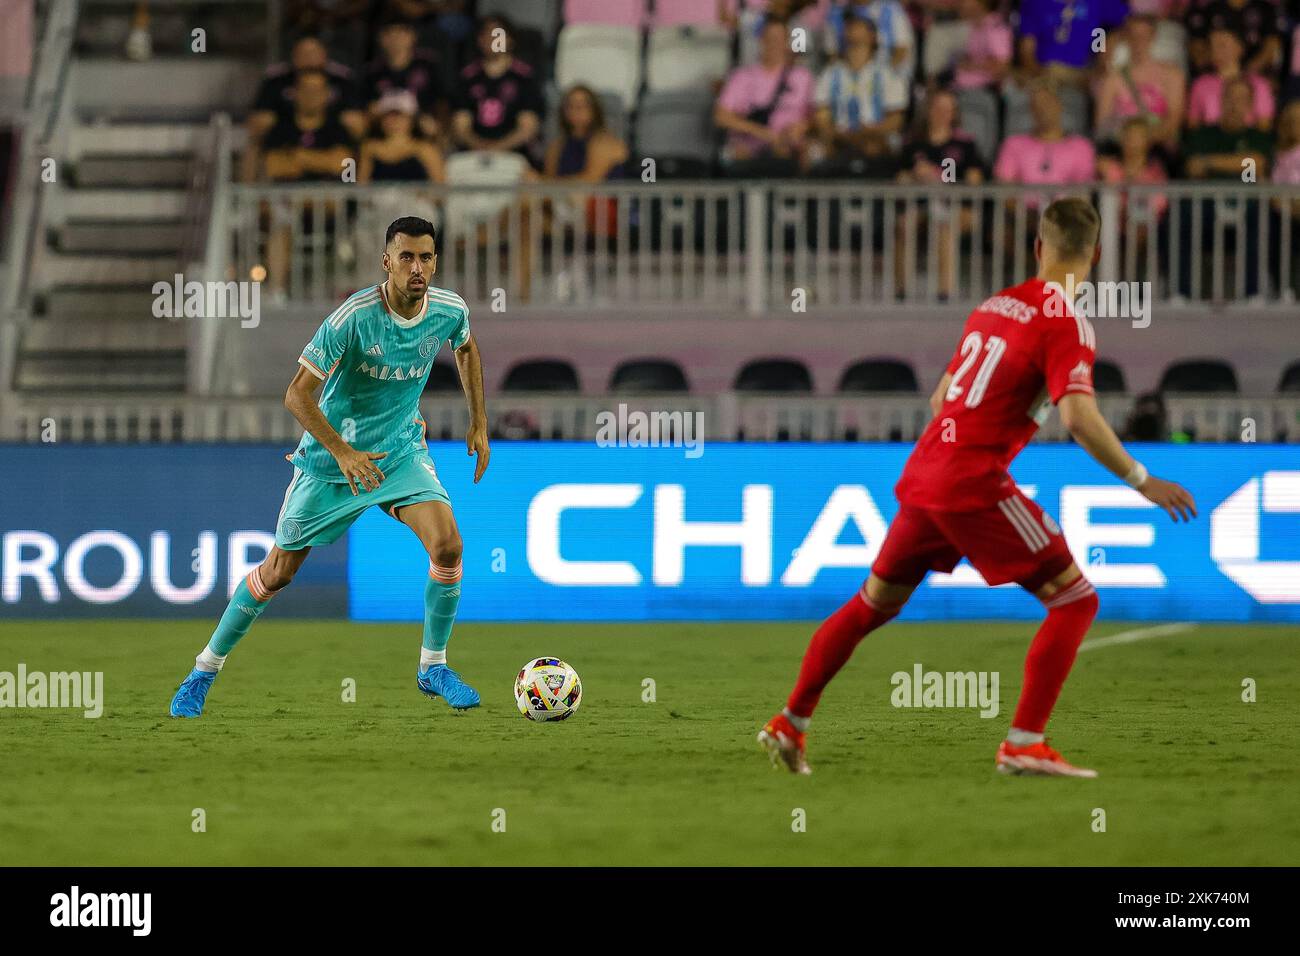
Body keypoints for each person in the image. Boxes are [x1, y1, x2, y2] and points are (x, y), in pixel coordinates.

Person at [759, 197, 1197, 777]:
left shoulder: (994, 306)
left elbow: (942, 397)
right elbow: (1079, 417)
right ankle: (1023, 742)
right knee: (1075, 599)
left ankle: (791, 721)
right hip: (972, 481)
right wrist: (1143, 480)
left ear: (1038, 248)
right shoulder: (1065, 320)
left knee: (872, 604)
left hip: (927, 471)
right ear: (1094, 255)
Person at [168, 217, 491, 718]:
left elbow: (466, 348)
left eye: (426, 257)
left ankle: (433, 666)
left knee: (448, 543)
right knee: (277, 573)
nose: (417, 267)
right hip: (330, 463)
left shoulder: (449, 310)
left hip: (400, 452)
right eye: (406, 257)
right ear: (386, 262)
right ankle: (202, 672)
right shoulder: (353, 317)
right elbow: (296, 395)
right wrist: (342, 452)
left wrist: (479, 422)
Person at [809, 14, 909, 176]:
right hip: (839, 140)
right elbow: (822, 115)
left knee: (880, 148)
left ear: (872, 36)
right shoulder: (831, 73)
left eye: (859, 26)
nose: (852, 30)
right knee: (814, 152)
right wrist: (834, 133)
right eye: (849, 27)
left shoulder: (887, 73)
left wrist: (870, 132)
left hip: (875, 140)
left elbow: (895, 120)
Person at [714, 16, 815, 174]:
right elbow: (721, 116)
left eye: (779, 39)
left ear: (787, 42)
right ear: (761, 40)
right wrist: (761, 132)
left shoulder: (802, 76)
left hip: (789, 144)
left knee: (801, 152)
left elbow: (814, 115)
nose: (774, 44)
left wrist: (800, 128)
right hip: (749, 145)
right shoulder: (742, 76)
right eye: (769, 38)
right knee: (736, 154)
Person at [451, 14, 543, 158]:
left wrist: (497, 149)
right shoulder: (468, 77)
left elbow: (527, 128)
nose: (491, 39)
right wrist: (482, 148)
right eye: (486, 34)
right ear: (479, 40)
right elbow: (461, 127)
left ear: (510, 40)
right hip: (473, 154)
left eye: (497, 34)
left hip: (515, 155)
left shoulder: (524, 77)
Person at [1093, 14, 1186, 151]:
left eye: (1143, 35)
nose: (1138, 41)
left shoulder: (1172, 75)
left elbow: (1174, 119)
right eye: (1133, 35)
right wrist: (1129, 141)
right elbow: (1101, 124)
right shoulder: (1113, 78)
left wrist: (1143, 140)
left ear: (1153, 36)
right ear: (1126, 38)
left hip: (1157, 149)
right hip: (1120, 148)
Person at [1187, 28, 1276, 129]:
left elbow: (1264, 127)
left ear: (1240, 48)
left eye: (1222, 45)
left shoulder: (1259, 84)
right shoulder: (1201, 84)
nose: (1215, 51)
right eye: (1212, 45)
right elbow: (1193, 127)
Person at [358, 90, 447, 183]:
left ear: (412, 118)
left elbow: (439, 188)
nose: (394, 120)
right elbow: (361, 186)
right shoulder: (370, 148)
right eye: (388, 115)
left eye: (399, 115)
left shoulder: (426, 149)